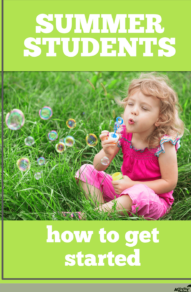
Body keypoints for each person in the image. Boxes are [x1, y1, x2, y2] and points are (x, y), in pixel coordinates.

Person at [63, 73, 184, 220]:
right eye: (131, 104)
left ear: (160, 119)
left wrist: (132, 185)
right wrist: (106, 153)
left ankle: (90, 216)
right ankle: (102, 214)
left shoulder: (164, 144)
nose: (133, 110)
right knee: (85, 171)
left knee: (140, 192)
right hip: (124, 190)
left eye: (144, 108)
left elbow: (169, 183)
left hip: (152, 200)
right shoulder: (122, 132)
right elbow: (98, 166)